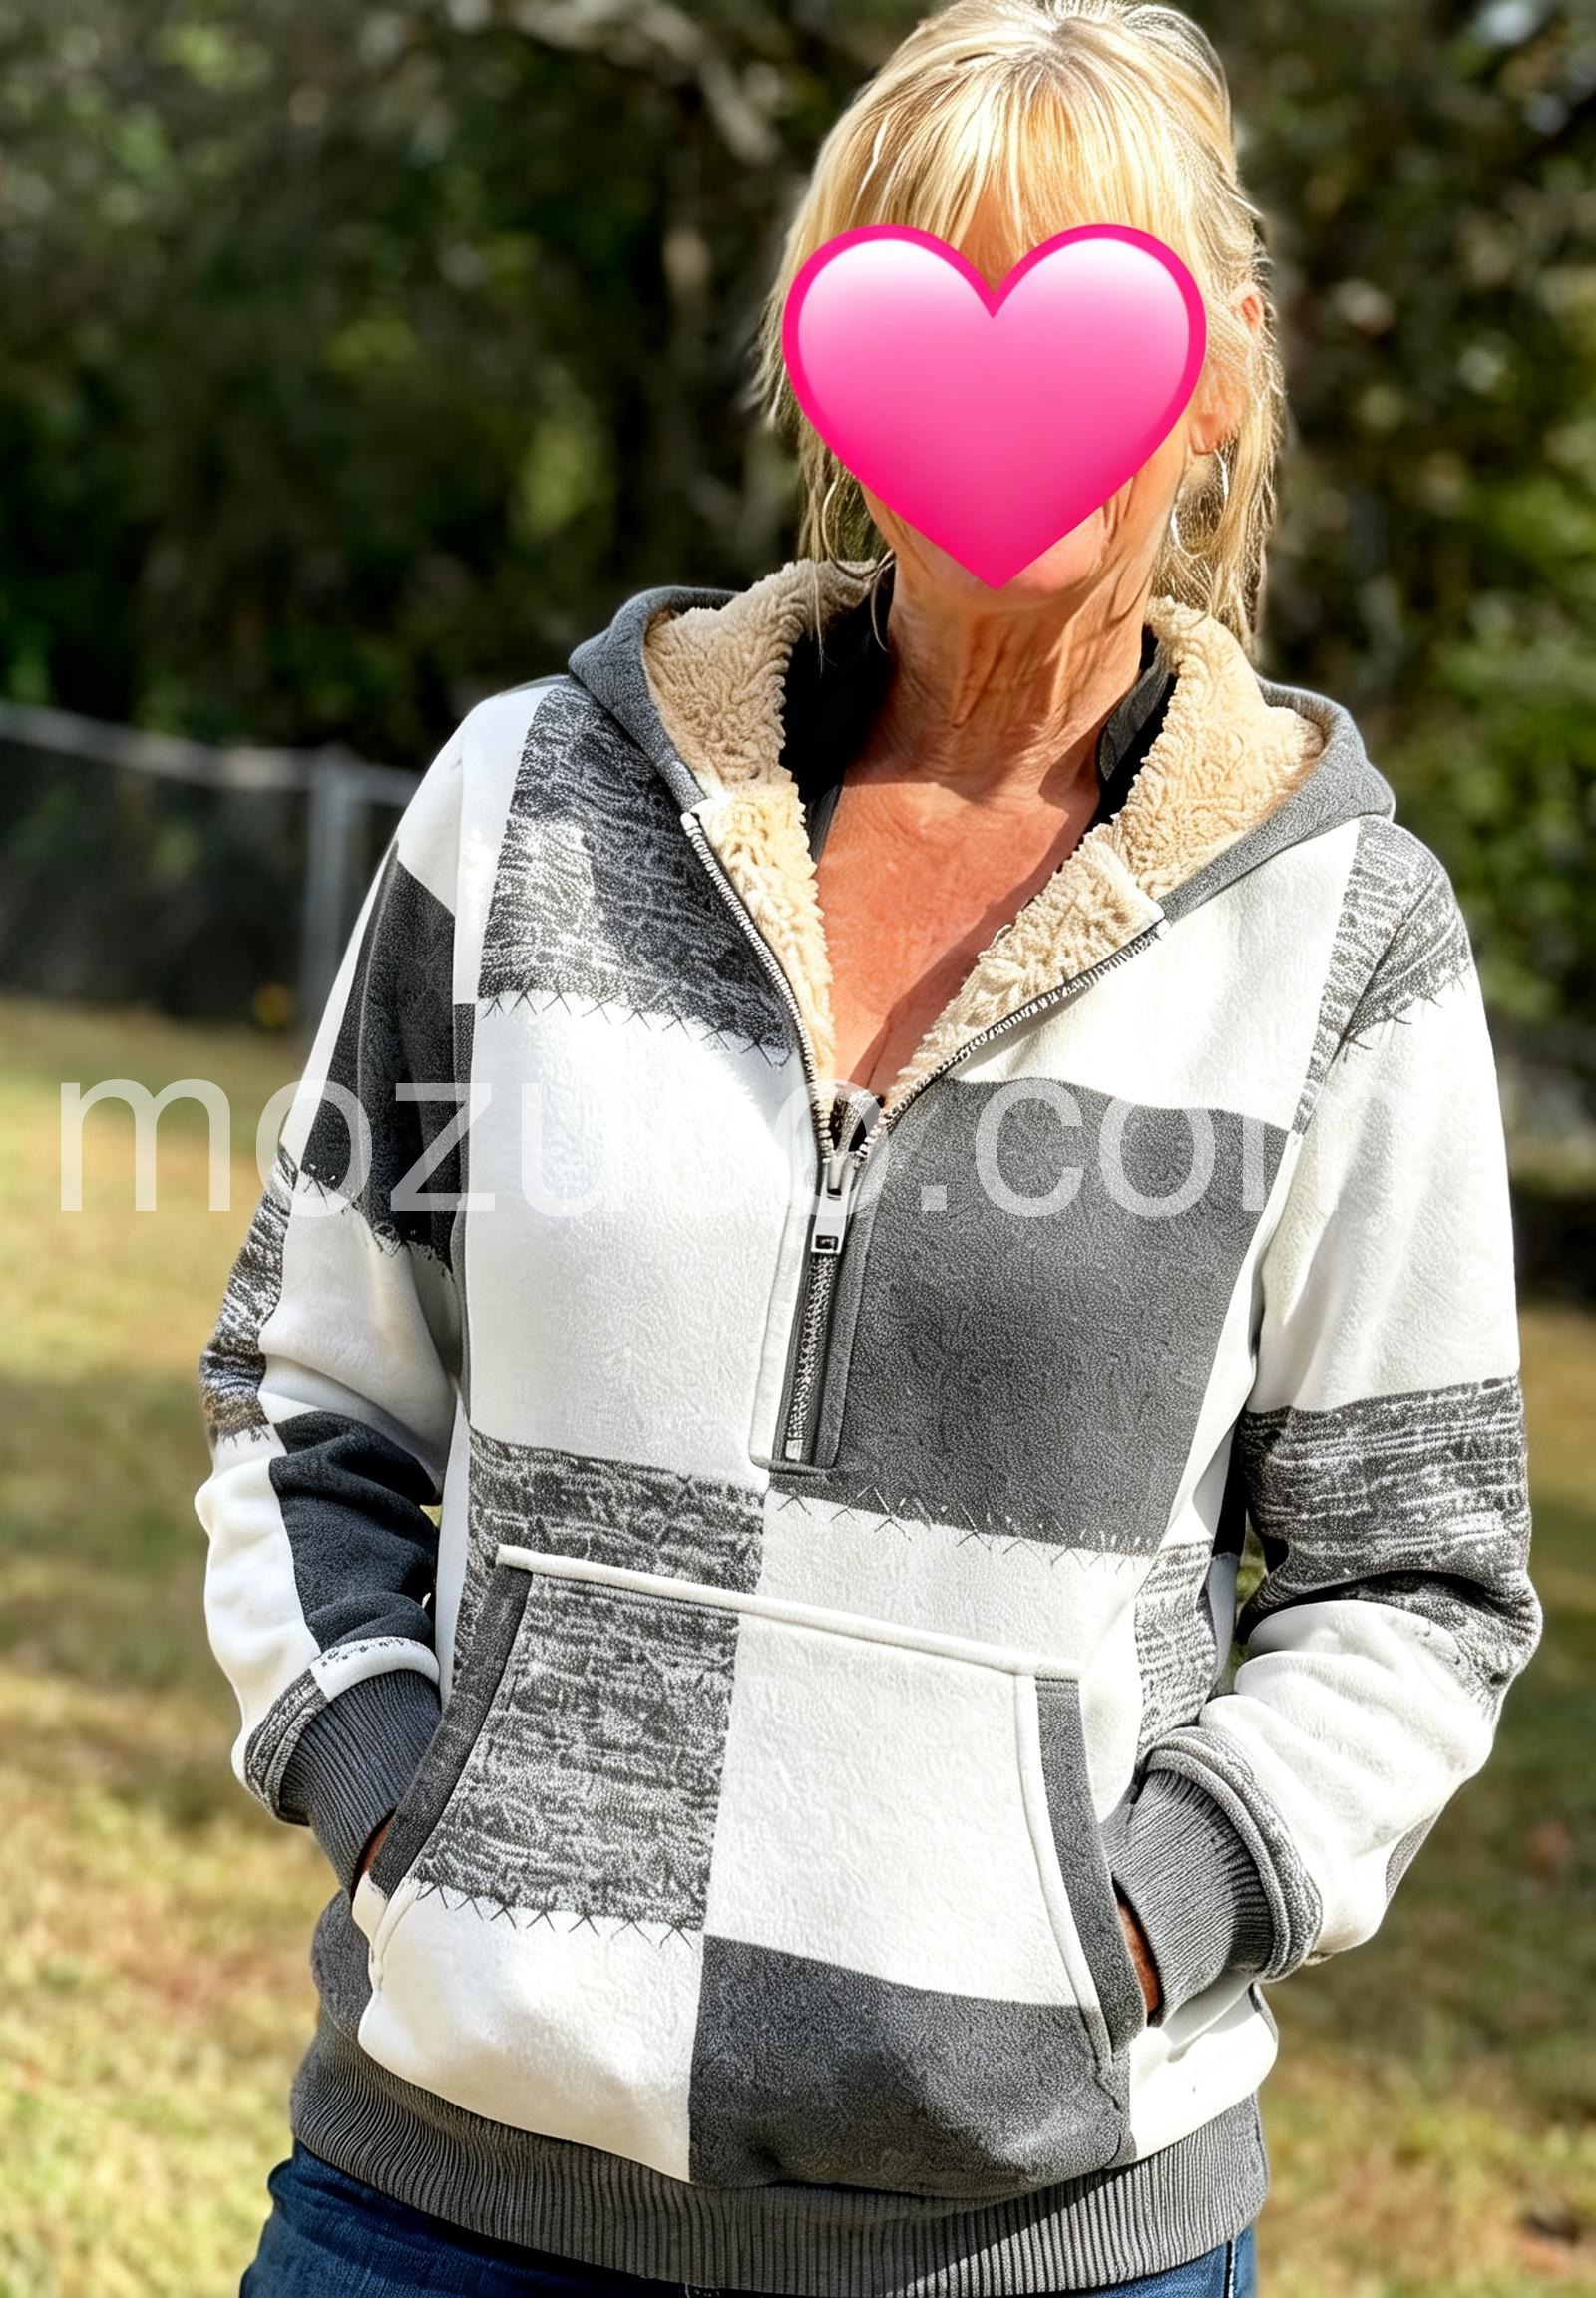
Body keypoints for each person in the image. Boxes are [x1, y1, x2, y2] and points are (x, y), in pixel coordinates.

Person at [197, 2, 1543, 2292]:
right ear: (832, 364)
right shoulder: (529, 804)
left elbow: (1415, 1579)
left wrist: (1139, 1923)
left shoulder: (1343, 932)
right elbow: (304, 1390)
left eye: (1089, 307)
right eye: (933, 291)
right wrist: (399, 1782)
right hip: (451, 2197)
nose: (1008, 393)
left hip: (1044, 2237)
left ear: (1222, 376)